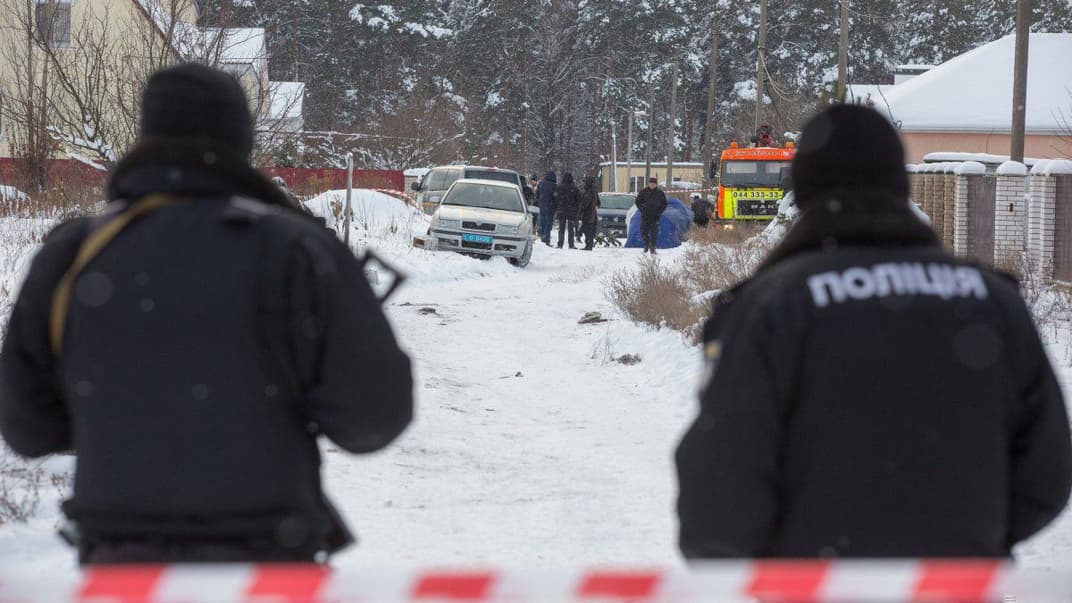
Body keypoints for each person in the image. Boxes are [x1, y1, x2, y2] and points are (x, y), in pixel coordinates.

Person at [0, 63, 414, 565]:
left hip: (119, 563)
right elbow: (373, 418)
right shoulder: (298, 250)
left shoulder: (75, 252)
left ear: (147, 136)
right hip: (269, 561)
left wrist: (117, 418)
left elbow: (25, 425)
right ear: (240, 142)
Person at [675, 104, 1072, 559]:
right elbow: (1047, 472)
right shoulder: (992, 303)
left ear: (803, 189)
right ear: (898, 185)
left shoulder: (771, 308)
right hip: (955, 585)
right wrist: (969, 543)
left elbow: (718, 496)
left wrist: (792, 559)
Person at [634, 177, 667, 254]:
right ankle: (646, 244)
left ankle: (653, 247)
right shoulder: (643, 192)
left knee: (654, 233)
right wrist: (642, 209)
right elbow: (637, 202)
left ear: (656, 184)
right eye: (651, 184)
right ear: (648, 184)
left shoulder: (660, 193)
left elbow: (664, 204)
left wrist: (659, 211)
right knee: (644, 232)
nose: (652, 185)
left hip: (655, 216)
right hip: (645, 215)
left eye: (653, 184)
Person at [554, 172, 580, 249]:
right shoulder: (574, 188)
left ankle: (560, 244)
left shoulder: (559, 187)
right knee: (571, 228)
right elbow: (578, 199)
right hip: (572, 211)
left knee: (561, 228)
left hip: (561, 210)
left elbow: (556, 198)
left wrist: (557, 207)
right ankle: (571, 244)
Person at [578, 176, 600, 250]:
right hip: (593, 214)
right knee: (590, 230)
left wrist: (581, 209)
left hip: (588, 214)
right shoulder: (594, 191)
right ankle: (589, 244)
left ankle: (588, 245)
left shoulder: (589, 192)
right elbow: (599, 203)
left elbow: (585, 203)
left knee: (587, 230)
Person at [536, 170, 557, 245]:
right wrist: (555, 207)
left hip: (542, 205)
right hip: (550, 207)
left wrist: (540, 201)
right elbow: (556, 198)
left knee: (542, 220)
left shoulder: (541, 184)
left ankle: (540, 233)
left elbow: (537, 194)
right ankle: (546, 239)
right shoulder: (554, 185)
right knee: (548, 223)